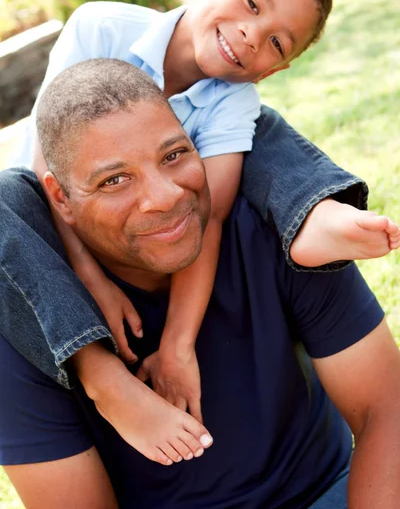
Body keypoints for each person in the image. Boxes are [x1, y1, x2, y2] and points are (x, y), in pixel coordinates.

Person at [5, 0, 400, 446]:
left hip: (151, 230)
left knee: (261, 126)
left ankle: (311, 213)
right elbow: (48, 165)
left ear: (275, 70)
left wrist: (177, 344)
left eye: (278, 44)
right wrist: (89, 277)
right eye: (252, 4)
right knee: (5, 195)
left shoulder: (234, 98)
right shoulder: (100, 26)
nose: (252, 36)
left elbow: (208, 215)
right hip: (51, 217)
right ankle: (104, 381)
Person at [1, 59, 400, 509]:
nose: (166, 195)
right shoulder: (27, 310)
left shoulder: (275, 224)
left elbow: (385, 411)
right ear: (61, 199)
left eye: (174, 155)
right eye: (115, 180)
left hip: (328, 492)